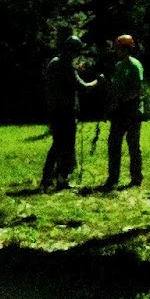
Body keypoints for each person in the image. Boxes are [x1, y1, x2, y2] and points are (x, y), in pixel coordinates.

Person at [41, 32, 97, 190]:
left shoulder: (53, 63)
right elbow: (82, 86)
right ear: (73, 50)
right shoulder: (65, 65)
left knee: (57, 144)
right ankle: (61, 178)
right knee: (67, 146)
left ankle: (47, 177)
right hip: (66, 111)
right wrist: (97, 82)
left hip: (54, 110)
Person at [104, 33, 144, 188]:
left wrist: (121, 101)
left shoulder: (135, 65)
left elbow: (138, 89)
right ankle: (113, 178)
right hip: (118, 112)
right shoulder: (119, 66)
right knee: (113, 144)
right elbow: (115, 89)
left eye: (118, 48)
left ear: (126, 49)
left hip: (133, 110)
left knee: (133, 145)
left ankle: (136, 178)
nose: (116, 51)